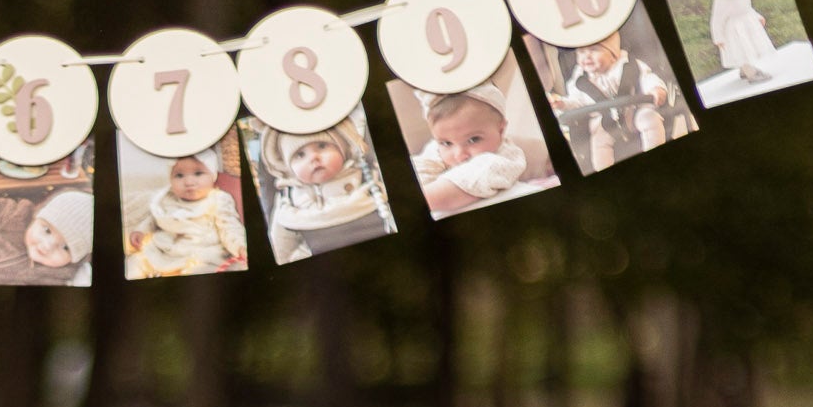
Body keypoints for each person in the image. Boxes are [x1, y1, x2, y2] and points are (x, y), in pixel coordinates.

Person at [251, 111, 395, 260]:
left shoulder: (366, 178)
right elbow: (281, 249)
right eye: (300, 155)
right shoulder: (287, 201)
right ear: (289, 168)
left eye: (322, 146)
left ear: (343, 149)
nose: (314, 158)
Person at [558, 30, 689, 170]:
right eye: (581, 53)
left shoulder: (629, 66)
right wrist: (562, 103)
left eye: (594, 50)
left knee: (649, 118)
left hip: (635, 110)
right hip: (605, 120)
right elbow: (577, 102)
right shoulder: (579, 80)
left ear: (613, 54)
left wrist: (656, 89)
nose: (586, 57)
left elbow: (648, 77)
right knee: (598, 141)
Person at [127, 146, 246, 276]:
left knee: (201, 271)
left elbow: (230, 228)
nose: (189, 182)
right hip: (164, 250)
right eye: (179, 175)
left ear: (213, 176)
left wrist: (240, 246)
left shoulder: (218, 199)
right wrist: (141, 231)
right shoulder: (167, 198)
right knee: (135, 263)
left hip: (200, 253)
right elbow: (154, 218)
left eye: (198, 173)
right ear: (170, 179)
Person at [410, 85, 529, 214]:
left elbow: (470, 179)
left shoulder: (506, 157)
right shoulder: (437, 148)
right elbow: (423, 167)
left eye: (473, 139)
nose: (459, 155)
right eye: (446, 143)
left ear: (501, 131)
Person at [708, 0, 775, 84]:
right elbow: (717, 20)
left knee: (748, 46)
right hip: (734, 30)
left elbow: (747, 8)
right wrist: (718, 37)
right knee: (740, 49)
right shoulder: (721, 0)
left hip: (747, 25)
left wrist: (757, 16)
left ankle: (744, 70)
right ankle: (752, 74)